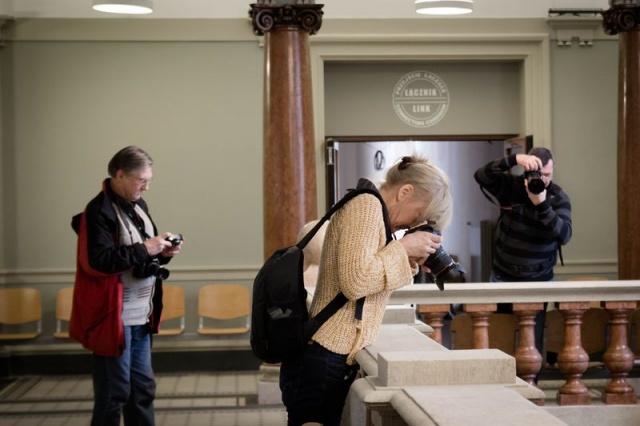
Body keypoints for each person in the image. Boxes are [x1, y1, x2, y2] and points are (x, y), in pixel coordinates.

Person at [280, 155, 453, 426]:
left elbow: (367, 279)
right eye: (418, 214)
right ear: (405, 191)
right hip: (324, 354)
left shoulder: (375, 212)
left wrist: (407, 260)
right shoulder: (366, 206)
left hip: (330, 354)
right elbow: (356, 282)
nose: (413, 224)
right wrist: (403, 248)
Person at [69, 145, 183, 426]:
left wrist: (161, 253)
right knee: (114, 394)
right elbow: (100, 262)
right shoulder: (98, 211)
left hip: (140, 315)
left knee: (142, 391)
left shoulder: (137, 206)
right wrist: (147, 248)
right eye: (141, 180)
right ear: (120, 175)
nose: (146, 187)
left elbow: (137, 257)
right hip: (113, 318)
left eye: (148, 181)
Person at [474, 147, 572, 364]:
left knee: (532, 345)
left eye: (547, 175)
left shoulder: (557, 197)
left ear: (552, 169)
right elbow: (481, 175)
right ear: (527, 171)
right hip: (502, 277)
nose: (543, 180)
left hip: (538, 282)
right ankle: (501, 387)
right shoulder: (511, 187)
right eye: (539, 174)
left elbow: (564, 235)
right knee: (501, 338)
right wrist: (514, 159)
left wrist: (542, 205)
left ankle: (531, 386)